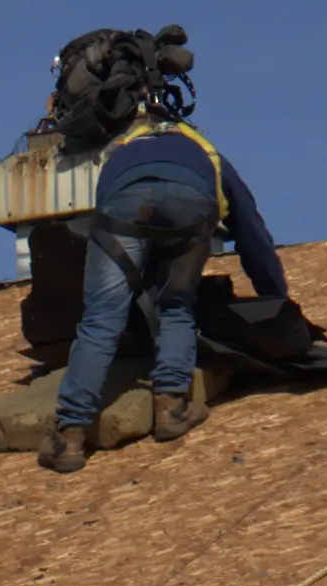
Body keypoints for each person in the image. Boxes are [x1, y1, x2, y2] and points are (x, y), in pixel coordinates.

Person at [49, 88, 281, 471]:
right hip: (192, 206)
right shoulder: (209, 154)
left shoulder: (120, 152)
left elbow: (110, 227)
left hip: (125, 206)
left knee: (102, 318)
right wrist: (277, 301)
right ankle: (171, 409)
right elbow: (252, 235)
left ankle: (69, 437)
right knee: (175, 304)